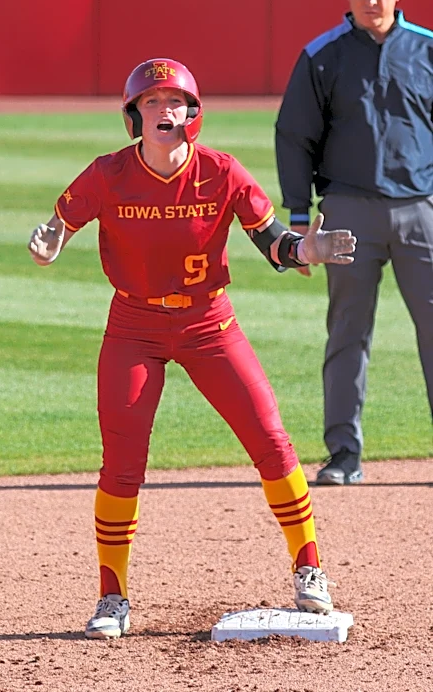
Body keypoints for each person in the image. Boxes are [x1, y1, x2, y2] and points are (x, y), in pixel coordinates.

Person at [27, 58, 356, 640]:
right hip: (134, 325)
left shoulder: (221, 171)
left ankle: (309, 568)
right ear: (134, 117)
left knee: (272, 440)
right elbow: (58, 225)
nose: (164, 110)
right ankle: (112, 596)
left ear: (193, 113)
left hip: (210, 323)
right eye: (151, 102)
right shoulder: (108, 173)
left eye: (174, 101)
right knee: (122, 464)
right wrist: (48, 244)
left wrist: (307, 251)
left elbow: (272, 240)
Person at [275, 0, 433, 487]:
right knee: (347, 332)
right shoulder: (323, 55)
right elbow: (295, 135)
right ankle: (343, 453)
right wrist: (299, 216)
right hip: (347, 212)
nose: (371, 1)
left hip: (420, 210)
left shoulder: (427, 50)